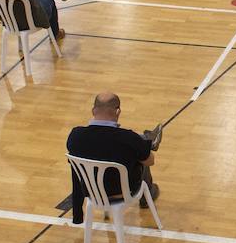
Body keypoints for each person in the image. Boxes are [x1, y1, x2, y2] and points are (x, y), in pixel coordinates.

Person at [66, 92, 163, 223]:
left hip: (91, 191)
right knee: (141, 157)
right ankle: (147, 145)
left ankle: (145, 142)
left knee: (135, 149)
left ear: (93, 111)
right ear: (118, 112)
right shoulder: (128, 138)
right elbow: (150, 161)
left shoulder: (75, 136)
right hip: (123, 192)